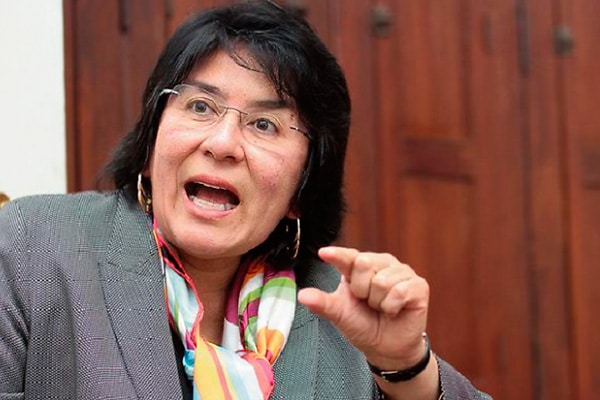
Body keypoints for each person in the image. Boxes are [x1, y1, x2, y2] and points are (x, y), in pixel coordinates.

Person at [0, 1, 492, 399]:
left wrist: (406, 367)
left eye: (263, 124)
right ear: (150, 146)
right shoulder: (34, 246)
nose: (222, 143)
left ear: (302, 190)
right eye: (200, 106)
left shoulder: (339, 313)